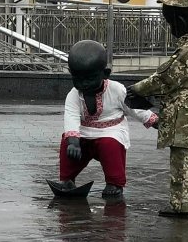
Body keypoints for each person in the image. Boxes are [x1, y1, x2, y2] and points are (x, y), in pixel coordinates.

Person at [126, 0, 188, 218]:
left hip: (186, 117)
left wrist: (136, 89)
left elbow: (166, 77)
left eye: (171, 22)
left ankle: (180, 207)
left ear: (181, 19)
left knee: (182, 166)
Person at [56, 40, 159, 198]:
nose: (83, 84)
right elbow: (70, 116)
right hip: (83, 133)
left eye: (89, 79)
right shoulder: (73, 95)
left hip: (111, 131)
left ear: (105, 74)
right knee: (67, 144)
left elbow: (132, 108)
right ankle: (67, 179)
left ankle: (114, 183)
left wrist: (153, 121)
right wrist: (73, 141)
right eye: (78, 79)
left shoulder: (116, 89)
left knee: (110, 145)